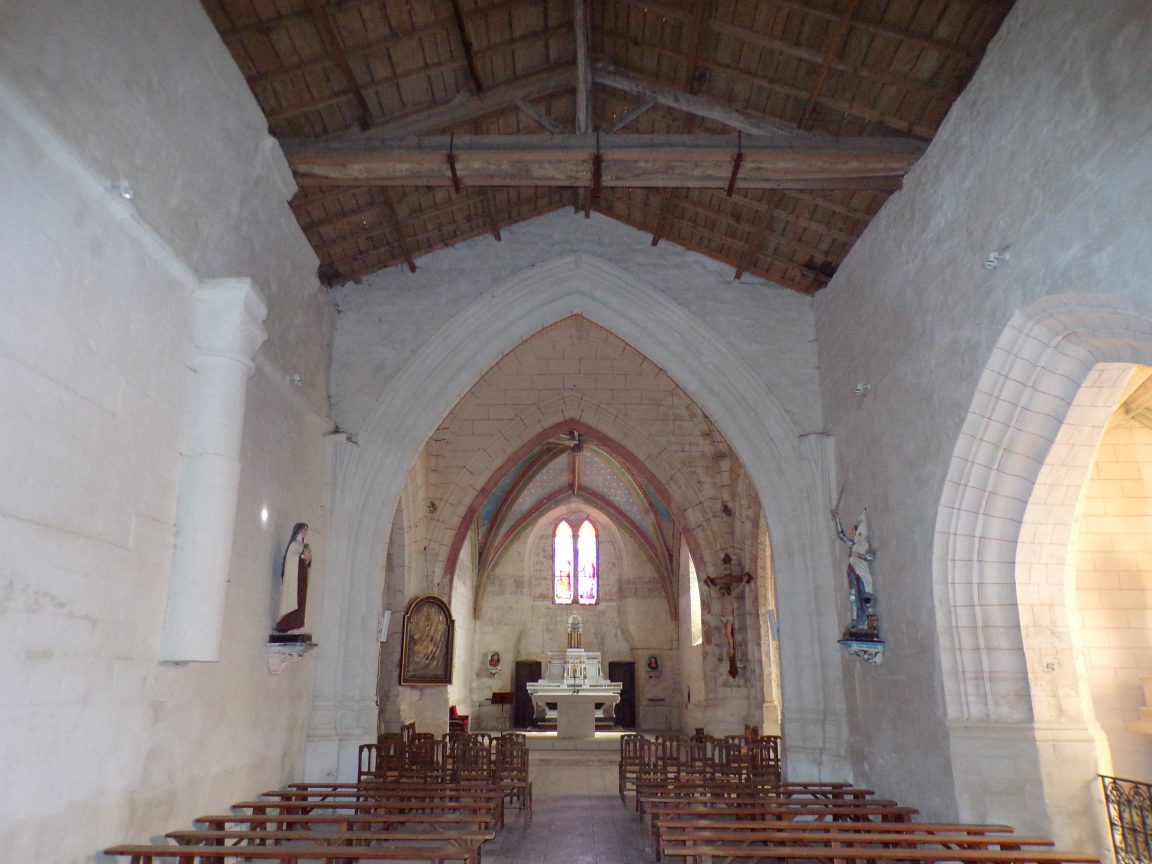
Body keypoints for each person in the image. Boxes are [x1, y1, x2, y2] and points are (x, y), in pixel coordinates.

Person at [704, 554, 753, 678]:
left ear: (726, 590)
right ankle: (728, 647)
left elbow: (740, 588)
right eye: (720, 590)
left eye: (722, 590)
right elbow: (713, 590)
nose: (720, 591)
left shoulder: (731, 597)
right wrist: (709, 583)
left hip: (730, 617)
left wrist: (743, 580)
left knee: (728, 632)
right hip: (723, 617)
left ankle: (731, 649)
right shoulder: (721, 598)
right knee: (723, 633)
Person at [832, 508, 877, 636]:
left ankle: (863, 623)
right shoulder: (853, 544)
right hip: (852, 574)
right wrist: (837, 520)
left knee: (861, 598)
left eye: (853, 530)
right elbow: (841, 536)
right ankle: (858, 621)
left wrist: (860, 555)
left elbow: (872, 556)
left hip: (860, 576)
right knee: (853, 598)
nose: (851, 532)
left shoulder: (863, 544)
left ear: (859, 532)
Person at [275, 523, 312, 633]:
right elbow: (291, 559)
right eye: (303, 530)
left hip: (302, 577)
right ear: (298, 531)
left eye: (306, 530)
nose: (305, 532)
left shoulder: (304, 545)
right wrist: (302, 556)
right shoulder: (294, 545)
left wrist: (308, 559)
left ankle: (297, 624)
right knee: (292, 600)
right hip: (294, 578)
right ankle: (287, 624)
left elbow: (307, 562)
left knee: (301, 600)